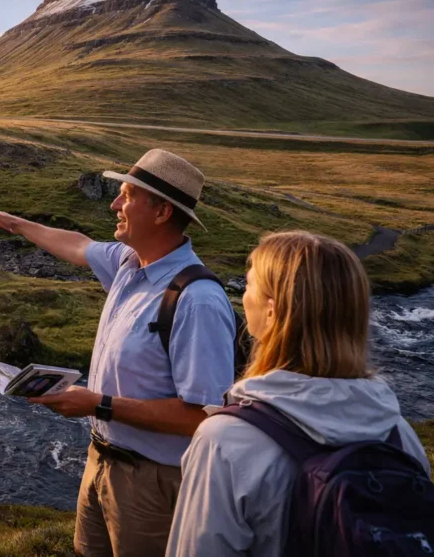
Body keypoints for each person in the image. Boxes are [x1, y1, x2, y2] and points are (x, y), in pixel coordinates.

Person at [0, 148, 237, 557]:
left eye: (127, 196)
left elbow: (203, 417)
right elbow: (78, 245)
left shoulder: (198, 301)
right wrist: (18, 224)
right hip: (100, 460)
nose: (115, 204)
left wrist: (97, 404)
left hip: (154, 482)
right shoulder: (127, 262)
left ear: (160, 213)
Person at [167, 231, 431, 557]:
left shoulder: (224, 440)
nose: (243, 297)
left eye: (249, 285)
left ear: (272, 312)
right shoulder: (400, 436)